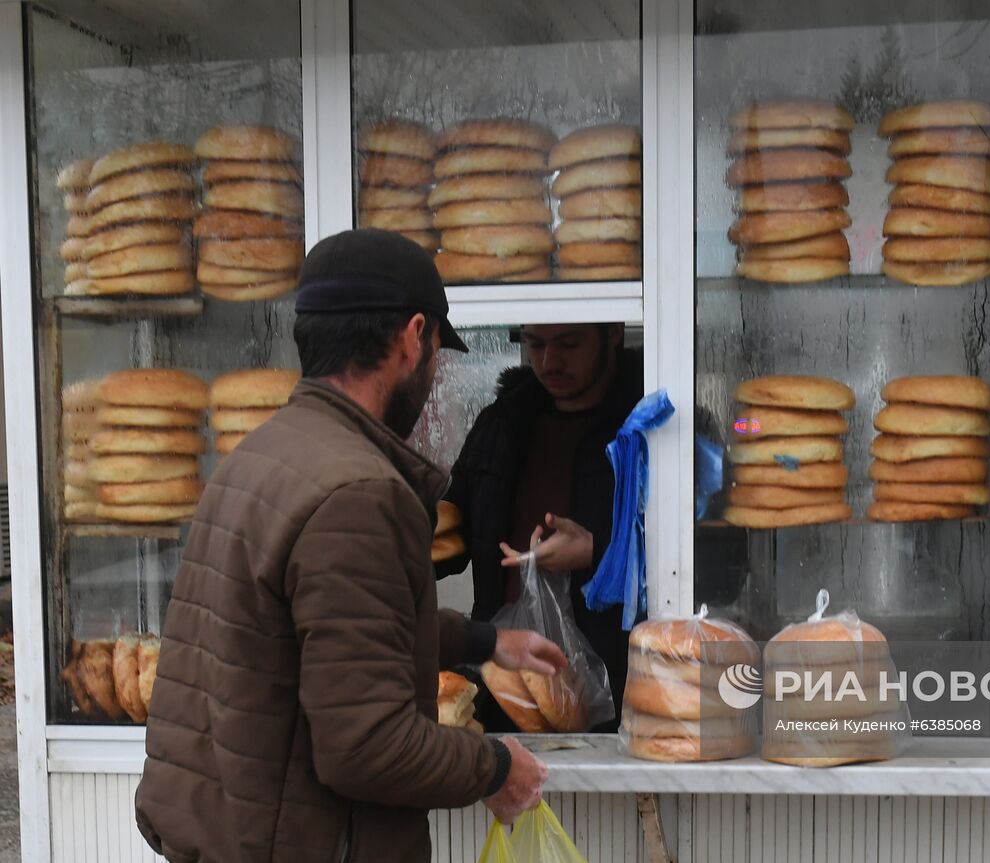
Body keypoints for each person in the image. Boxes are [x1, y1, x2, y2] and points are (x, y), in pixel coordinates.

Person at [135, 229, 563, 862]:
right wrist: (497, 766)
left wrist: (486, 642)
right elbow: (366, 746)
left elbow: (326, 628)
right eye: (439, 350)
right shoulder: (358, 493)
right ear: (412, 338)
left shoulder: (262, 454)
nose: (436, 369)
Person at [444, 322, 642, 731]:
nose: (550, 361)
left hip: (618, 694)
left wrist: (598, 551)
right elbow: (451, 536)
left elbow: (718, 562)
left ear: (614, 334)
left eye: (569, 343)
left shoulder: (652, 425)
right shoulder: (500, 425)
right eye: (535, 344)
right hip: (501, 685)